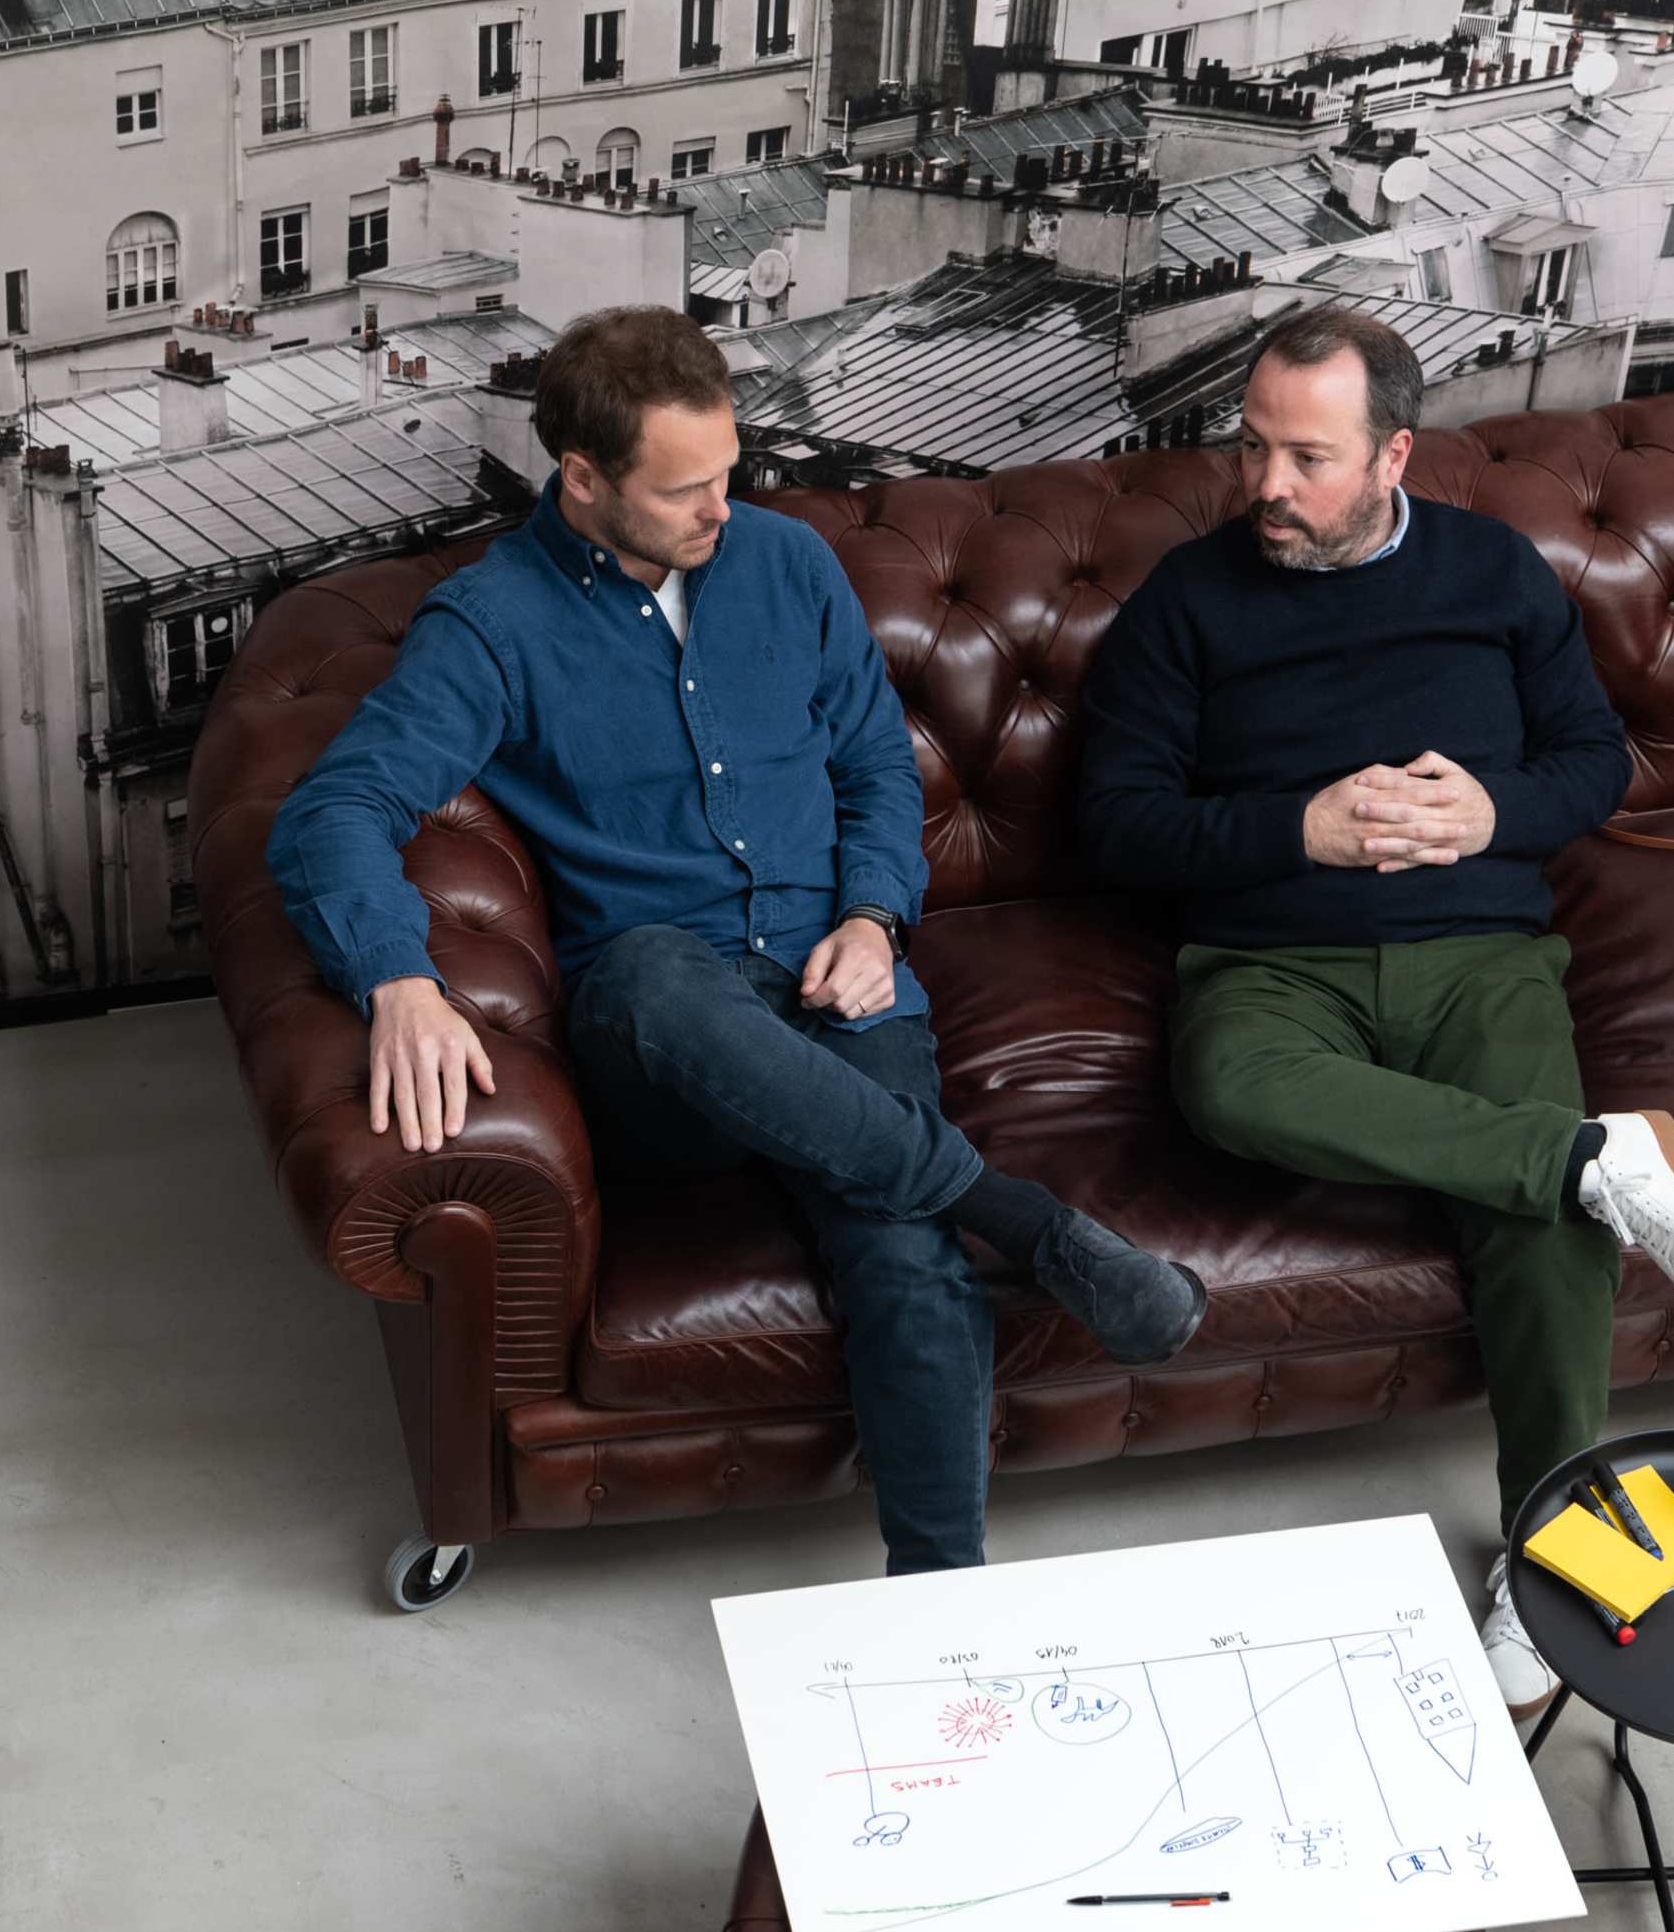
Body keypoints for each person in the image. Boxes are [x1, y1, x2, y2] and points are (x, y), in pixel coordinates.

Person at [268, 306, 1208, 1577]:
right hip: (667, 1037)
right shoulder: (488, 625)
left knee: (902, 1243)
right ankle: (1034, 1226)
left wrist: (874, 917)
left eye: (729, 472)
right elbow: (332, 811)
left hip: (838, 977)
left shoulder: (788, 564)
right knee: (652, 973)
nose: (724, 507)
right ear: (583, 478)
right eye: (685, 489)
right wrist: (397, 974)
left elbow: (876, 765)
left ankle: (942, 1600)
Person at [1077, 305, 1674, 1712]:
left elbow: (1593, 764)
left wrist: (1495, 810)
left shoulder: (1492, 572)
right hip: (1272, 964)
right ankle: (1590, 1155)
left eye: (1305, 459)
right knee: (1233, 1087)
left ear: (1393, 456)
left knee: (1542, 1229)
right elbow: (1116, 825)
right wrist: (1293, 829)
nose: (1265, 485)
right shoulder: (1187, 603)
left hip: (1478, 953)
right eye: (1253, 448)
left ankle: (1558, 1556)